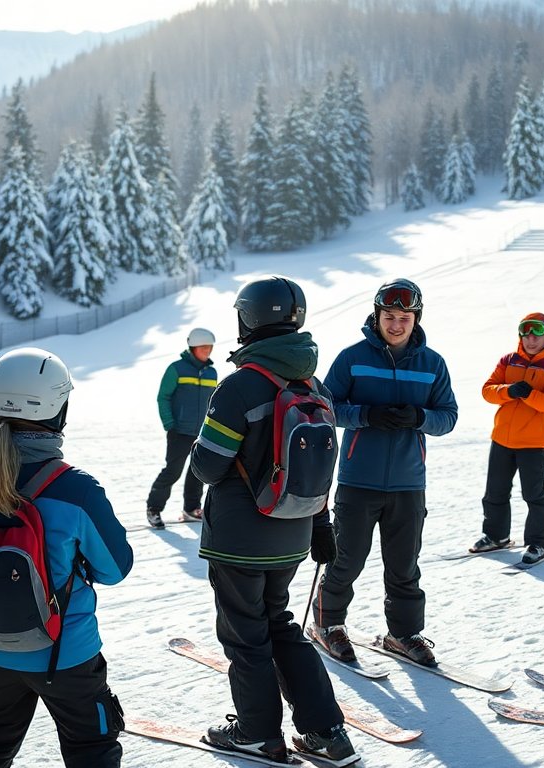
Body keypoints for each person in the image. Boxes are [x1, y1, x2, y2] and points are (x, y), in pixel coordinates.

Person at [189, 276, 358, 767]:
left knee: (246, 636)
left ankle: (257, 734)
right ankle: (327, 733)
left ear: (250, 319)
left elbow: (208, 466)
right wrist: (321, 525)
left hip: (240, 538)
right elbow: (321, 467)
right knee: (280, 624)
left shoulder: (240, 385)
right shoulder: (315, 386)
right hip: (295, 531)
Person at [0, 347, 133, 768]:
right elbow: (116, 569)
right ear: (57, 408)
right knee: (92, 752)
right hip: (67, 653)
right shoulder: (76, 489)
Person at [308, 278, 458, 666]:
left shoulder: (432, 364)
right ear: (376, 316)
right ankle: (327, 625)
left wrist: (419, 417)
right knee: (346, 559)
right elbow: (325, 406)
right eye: (389, 316)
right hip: (358, 480)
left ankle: (403, 633)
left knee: (405, 564)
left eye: (404, 317)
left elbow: (448, 417)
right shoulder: (353, 357)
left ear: (416, 318)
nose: (396, 324)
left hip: (409, 482)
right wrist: (366, 415)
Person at [470, 312, 544, 564]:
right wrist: (508, 391)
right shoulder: (508, 360)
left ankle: (539, 543)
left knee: (534, 495)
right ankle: (496, 536)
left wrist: (528, 394)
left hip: (532, 443)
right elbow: (487, 391)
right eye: (525, 332)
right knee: (495, 492)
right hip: (502, 438)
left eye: (536, 332)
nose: (531, 338)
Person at [145, 327, 217, 528]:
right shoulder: (176, 369)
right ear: (193, 348)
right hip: (179, 431)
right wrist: (170, 424)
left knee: (197, 472)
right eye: (203, 347)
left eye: (209, 347)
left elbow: (213, 401)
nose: (207, 351)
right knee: (173, 471)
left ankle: (191, 509)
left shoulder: (212, 372)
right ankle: (154, 509)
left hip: (202, 432)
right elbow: (163, 397)